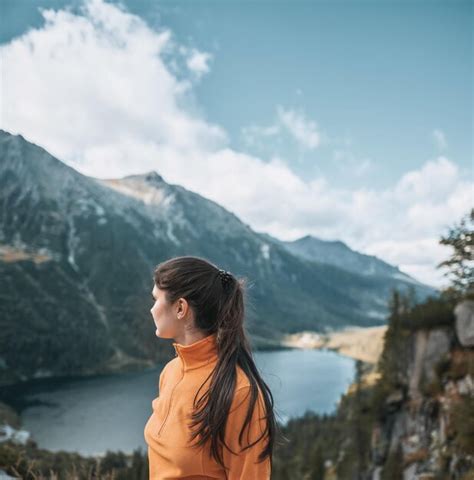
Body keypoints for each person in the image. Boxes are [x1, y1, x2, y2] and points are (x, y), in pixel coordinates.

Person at [144, 255, 278, 479]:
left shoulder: (239, 393)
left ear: (180, 308)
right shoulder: (171, 372)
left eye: (156, 299)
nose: (151, 309)